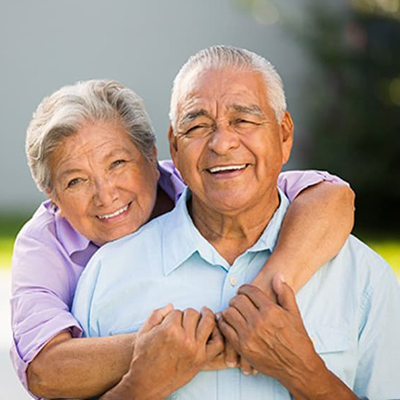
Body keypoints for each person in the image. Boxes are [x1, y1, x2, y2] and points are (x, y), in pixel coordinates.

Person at [73, 46, 400, 400]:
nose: (222, 143)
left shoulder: (362, 276)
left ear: (284, 134)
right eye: (197, 126)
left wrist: (304, 372)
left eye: (243, 120)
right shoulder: (108, 275)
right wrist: (141, 385)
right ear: (175, 147)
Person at [11, 79, 354, 400]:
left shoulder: (201, 180)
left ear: (153, 155)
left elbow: (331, 196)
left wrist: (267, 293)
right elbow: (44, 369)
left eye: (117, 163)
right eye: (76, 181)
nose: (105, 194)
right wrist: (184, 346)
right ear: (52, 195)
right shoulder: (43, 243)